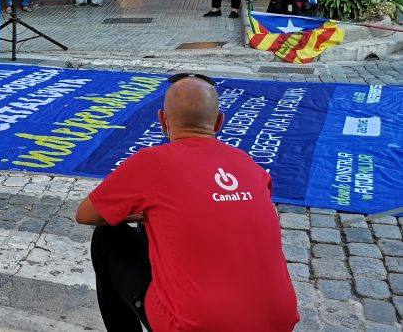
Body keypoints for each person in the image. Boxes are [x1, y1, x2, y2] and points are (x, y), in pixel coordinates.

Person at [75, 73, 299, 331]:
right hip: (279, 321)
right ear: (218, 123)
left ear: (162, 120)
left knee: (107, 237)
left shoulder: (152, 162)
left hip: (195, 326)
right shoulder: (249, 164)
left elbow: (86, 214)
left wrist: (144, 213)